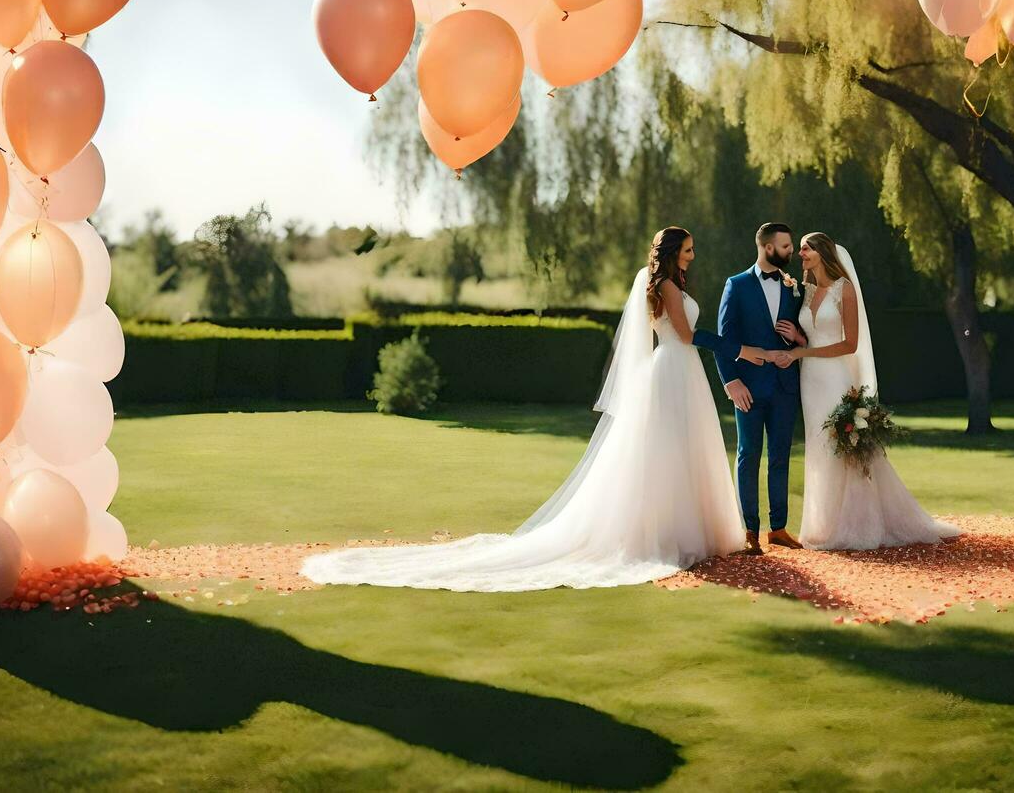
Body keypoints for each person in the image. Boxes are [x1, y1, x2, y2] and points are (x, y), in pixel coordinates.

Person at [300, 227, 780, 591]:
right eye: (689, 249)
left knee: (679, 451)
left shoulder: (665, 284)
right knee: (670, 451)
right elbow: (689, 335)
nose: (694, 256)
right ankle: (667, 535)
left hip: (679, 372)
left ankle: (688, 530)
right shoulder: (669, 290)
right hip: (675, 369)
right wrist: (741, 351)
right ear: (674, 253)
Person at [786, 232, 960, 550]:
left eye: (805, 248)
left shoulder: (845, 290)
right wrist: (798, 341)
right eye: (800, 249)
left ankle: (856, 525)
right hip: (810, 380)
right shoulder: (808, 291)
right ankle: (822, 526)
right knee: (819, 446)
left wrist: (802, 353)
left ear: (823, 252)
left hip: (834, 377)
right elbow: (813, 336)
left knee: (842, 447)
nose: (800, 254)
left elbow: (849, 344)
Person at [712, 222, 808, 554]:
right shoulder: (736, 285)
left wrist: (796, 338)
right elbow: (723, 341)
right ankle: (750, 531)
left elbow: (809, 336)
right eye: (785, 246)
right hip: (748, 388)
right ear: (768, 248)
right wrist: (731, 382)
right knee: (748, 455)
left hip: (784, 386)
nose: (791, 252)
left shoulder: (794, 287)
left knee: (780, 456)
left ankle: (778, 528)